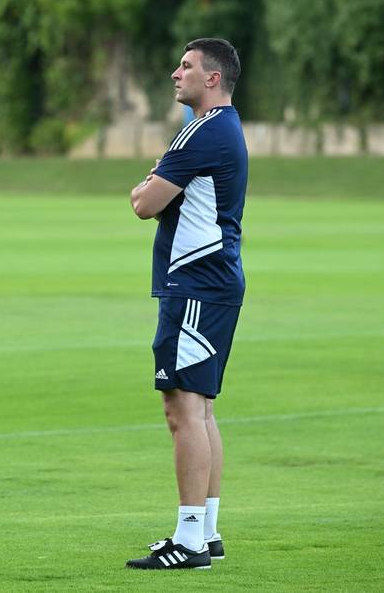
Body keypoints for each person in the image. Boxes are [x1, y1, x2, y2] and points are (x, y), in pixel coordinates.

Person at [126, 38, 247, 570]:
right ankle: (207, 532)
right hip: (211, 282)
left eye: (187, 66)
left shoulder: (202, 131)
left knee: (183, 409)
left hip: (196, 283)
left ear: (213, 78)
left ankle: (190, 540)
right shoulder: (220, 128)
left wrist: (150, 182)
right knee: (200, 408)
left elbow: (144, 203)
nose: (176, 73)